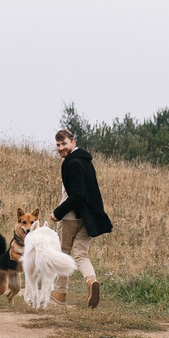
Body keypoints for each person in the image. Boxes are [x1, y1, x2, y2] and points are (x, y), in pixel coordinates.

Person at [52, 128, 111, 307]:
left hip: (70, 217)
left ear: (73, 142)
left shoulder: (72, 163)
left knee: (62, 253)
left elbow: (77, 195)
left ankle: (60, 292)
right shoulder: (86, 161)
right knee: (81, 255)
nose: (61, 148)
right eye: (58, 145)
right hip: (87, 218)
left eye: (64, 144)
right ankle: (91, 281)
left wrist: (58, 212)